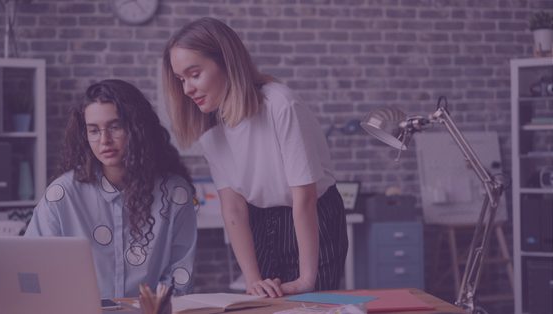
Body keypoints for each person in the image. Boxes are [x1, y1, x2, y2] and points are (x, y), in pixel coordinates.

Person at [162, 17, 347, 297]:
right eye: (181, 80)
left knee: (309, 305)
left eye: (194, 74)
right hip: (261, 220)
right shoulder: (212, 133)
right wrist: (252, 281)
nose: (186, 89)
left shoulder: (280, 105)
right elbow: (234, 209)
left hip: (314, 215)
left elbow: (305, 198)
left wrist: (306, 279)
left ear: (226, 62)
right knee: (263, 302)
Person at [24, 79, 197, 298]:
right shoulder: (63, 194)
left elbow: (179, 275)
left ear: (138, 128)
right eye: (93, 130)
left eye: (115, 127)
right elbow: (33, 266)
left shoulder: (174, 193)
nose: (104, 140)